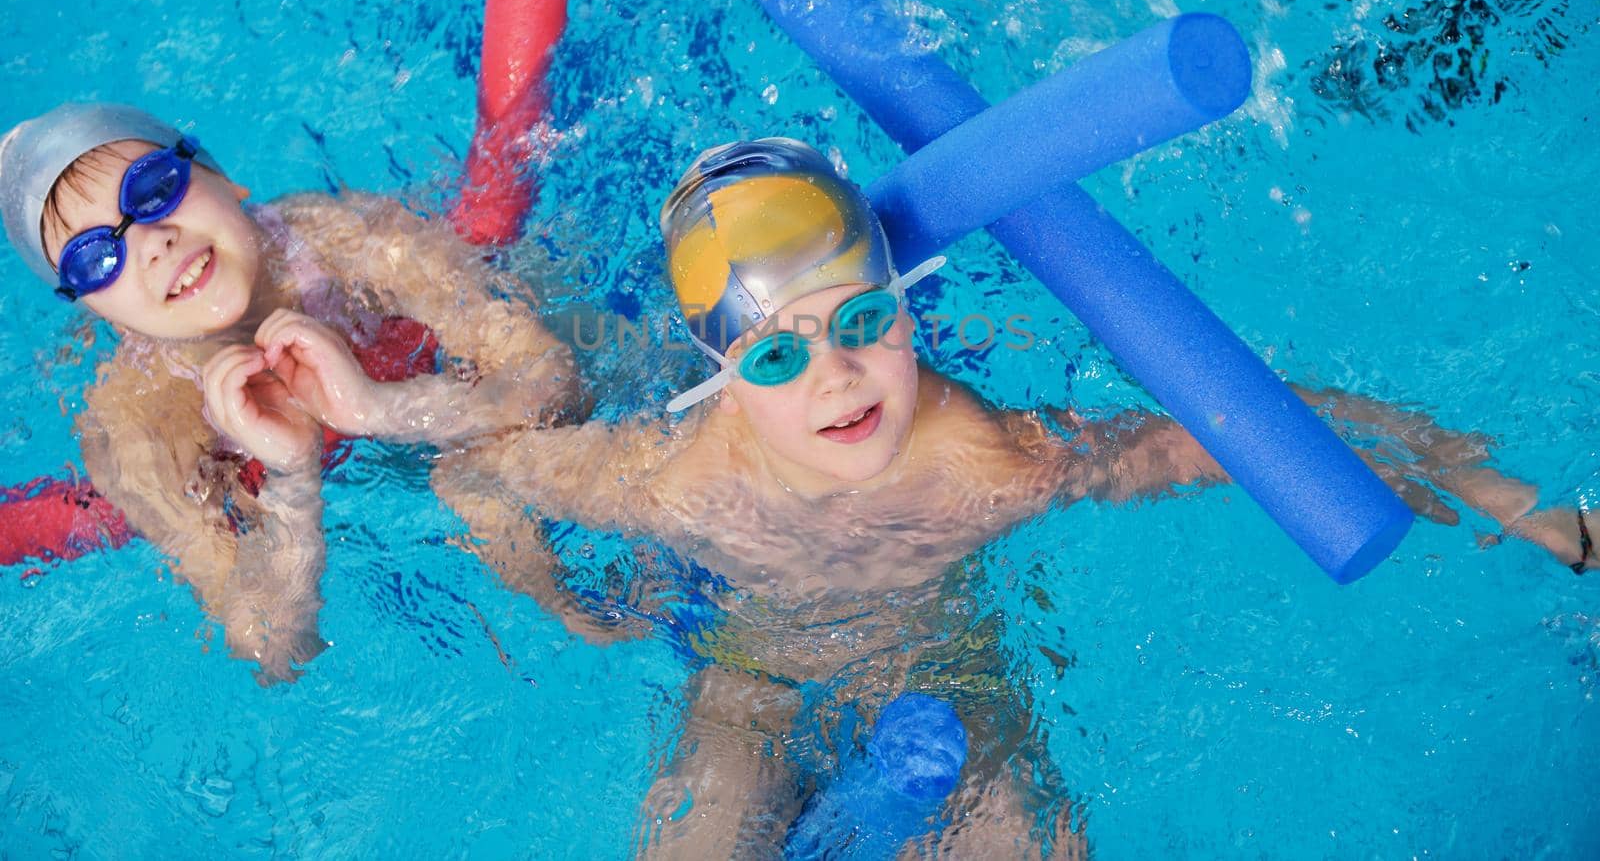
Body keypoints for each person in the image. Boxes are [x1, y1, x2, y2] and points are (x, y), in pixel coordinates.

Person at [435, 136, 1591, 857]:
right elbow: (473, 472)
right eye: (778, 358)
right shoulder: (668, 484)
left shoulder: (986, 463)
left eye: (863, 323)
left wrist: (1498, 489)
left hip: (950, 673)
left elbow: (1240, 426)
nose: (835, 374)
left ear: (909, 305)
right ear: (719, 385)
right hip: (753, 685)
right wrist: (560, 600)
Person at [0, 102, 610, 682]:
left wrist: (378, 408)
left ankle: (611, 617)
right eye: (94, 260)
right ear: (104, 316)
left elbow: (553, 380)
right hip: (362, 499)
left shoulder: (339, 240)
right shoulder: (138, 420)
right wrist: (292, 478)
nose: (151, 241)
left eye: (154, 187)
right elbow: (269, 645)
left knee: (483, 477)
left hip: (440, 397)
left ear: (224, 178)